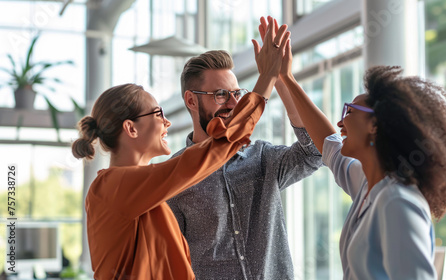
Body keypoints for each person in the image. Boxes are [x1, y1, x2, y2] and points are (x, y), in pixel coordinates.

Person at [71, 18, 288, 280]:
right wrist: (266, 79)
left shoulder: (147, 193)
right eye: (158, 113)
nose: (167, 122)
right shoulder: (113, 187)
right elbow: (209, 155)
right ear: (131, 129)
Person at [276, 33, 446, 279]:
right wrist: (285, 78)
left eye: (350, 111)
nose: (340, 122)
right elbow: (328, 143)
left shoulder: (397, 201)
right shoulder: (369, 185)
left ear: (374, 124)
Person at [166, 16, 323, 279]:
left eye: (236, 93)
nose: (232, 103)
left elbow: (315, 152)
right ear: (191, 101)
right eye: (220, 95)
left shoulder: (262, 157)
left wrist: (282, 78)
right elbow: (173, 261)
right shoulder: (175, 176)